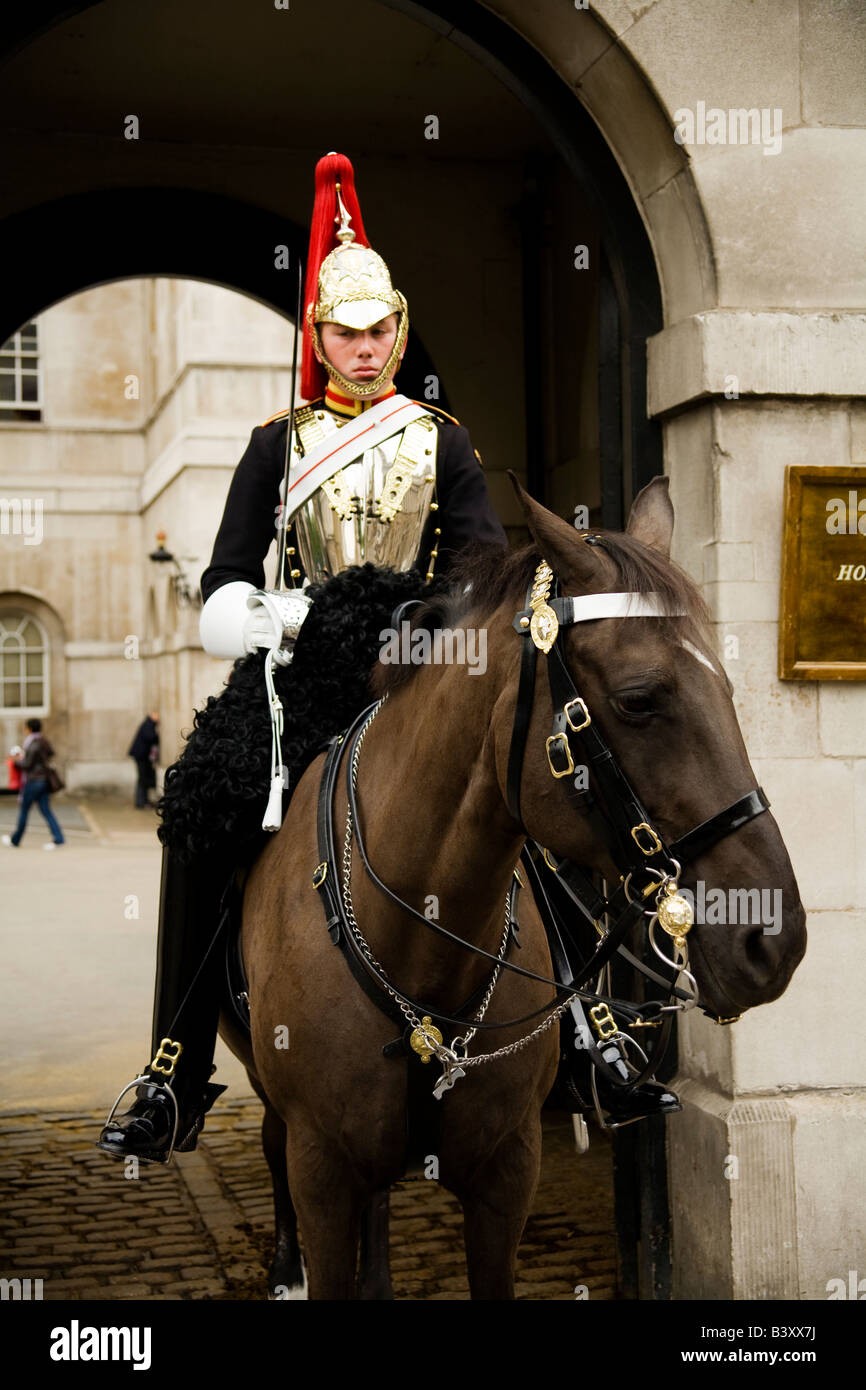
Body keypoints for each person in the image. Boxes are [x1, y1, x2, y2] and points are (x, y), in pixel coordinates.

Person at [97, 152, 506, 1165]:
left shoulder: (442, 443)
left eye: (378, 332)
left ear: (396, 332)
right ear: (317, 335)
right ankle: (174, 1068)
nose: (363, 350)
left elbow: (487, 570)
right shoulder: (272, 443)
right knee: (199, 806)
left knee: (527, 787)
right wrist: (288, 619)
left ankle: (592, 1036)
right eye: (343, 332)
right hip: (295, 680)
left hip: (416, 671)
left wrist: (415, 622)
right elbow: (223, 588)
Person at [2, 718, 65, 850]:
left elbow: (27, 764)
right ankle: (58, 838)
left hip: (34, 780)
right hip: (43, 780)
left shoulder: (32, 743)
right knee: (45, 810)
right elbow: (50, 753)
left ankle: (15, 839)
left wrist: (14, 761)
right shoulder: (43, 741)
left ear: (29, 728)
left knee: (24, 810)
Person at [128, 712, 160, 809]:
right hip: (141, 756)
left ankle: (143, 800)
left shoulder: (149, 724)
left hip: (142, 756)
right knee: (142, 779)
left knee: (143, 778)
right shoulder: (148, 724)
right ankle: (141, 801)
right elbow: (150, 737)